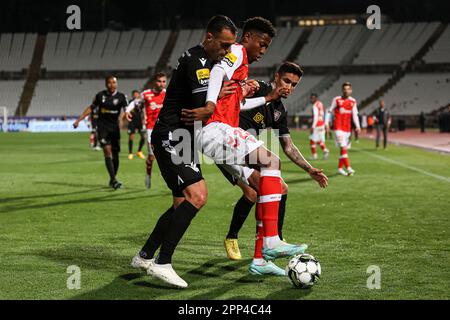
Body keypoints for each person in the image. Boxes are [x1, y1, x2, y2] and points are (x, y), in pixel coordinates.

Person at [182, 17, 328, 276]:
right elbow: (217, 72)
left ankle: (260, 258)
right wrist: (210, 105)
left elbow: (239, 106)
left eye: (266, 48)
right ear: (247, 37)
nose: (262, 51)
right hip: (217, 130)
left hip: (226, 134)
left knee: (272, 184)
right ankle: (268, 240)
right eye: (261, 44)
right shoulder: (237, 51)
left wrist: (265, 98)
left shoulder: (258, 88)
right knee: (270, 164)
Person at [129, 15, 238, 288]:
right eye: (224, 45)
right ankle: (163, 263)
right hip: (172, 135)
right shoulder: (198, 61)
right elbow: (203, 105)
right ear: (209, 37)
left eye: (230, 46)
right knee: (198, 195)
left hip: (183, 137)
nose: (226, 51)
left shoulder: (209, 61)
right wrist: (223, 94)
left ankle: (144, 256)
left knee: (181, 203)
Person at [218, 62, 328, 262]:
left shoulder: (279, 111)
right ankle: (235, 238)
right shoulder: (258, 88)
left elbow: (288, 146)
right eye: (286, 81)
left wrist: (309, 169)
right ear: (276, 77)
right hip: (227, 146)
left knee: (281, 188)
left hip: (248, 151)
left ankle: (276, 238)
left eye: (294, 85)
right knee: (253, 192)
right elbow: (232, 98)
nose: (289, 87)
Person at [73, 76, 128, 190]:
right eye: (109, 83)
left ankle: (113, 178)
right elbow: (91, 108)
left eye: (114, 82)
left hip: (114, 129)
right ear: (106, 84)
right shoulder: (100, 96)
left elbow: (126, 109)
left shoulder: (121, 97)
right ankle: (114, 180)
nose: (112, 84)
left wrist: (127, 115)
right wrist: (79, 119)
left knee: (116, 156)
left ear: (116, 84)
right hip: (103, 128)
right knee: (107, 152)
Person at [126, 73, 167, 188]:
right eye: (159, 81)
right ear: (155, 82)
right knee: (151, 157)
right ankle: (148, 175)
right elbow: (135, 102)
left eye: (164, 81)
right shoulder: (146, 94)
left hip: (165, 129)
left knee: (168, 156)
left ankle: (171, 179)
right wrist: (128, 111)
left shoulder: (167, 94)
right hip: (151, 130)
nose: (162, 84)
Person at [325, 82, 360, 176]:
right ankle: (348, 167)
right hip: (338, 128)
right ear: (342, 90)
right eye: (344, 89)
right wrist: (326, 123)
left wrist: (358, 126)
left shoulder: (353, 101)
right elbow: (329, 111)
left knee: (343, 149)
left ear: (351, 90)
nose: (346, 91)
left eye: (348, 89)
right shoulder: (336, 99)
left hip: (347, 129)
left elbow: (355, 115)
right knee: (343, 146)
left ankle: (340, 168)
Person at [125, 90, 146, 160]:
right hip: (132, 122)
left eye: (137, 94)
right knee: (131, 137)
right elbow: (127, 110)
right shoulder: (130, 102)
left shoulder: (141, 102)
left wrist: (144, 119)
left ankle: (139, 151)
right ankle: (130, 153)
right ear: (132, 95)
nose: (136, 95)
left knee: (144, 137)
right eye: (134, 94)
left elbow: (143, 110)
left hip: (139, 121)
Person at [309, 93, 329, 160]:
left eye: (312, 98)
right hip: (321, 123)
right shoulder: (320, 103)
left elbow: (316, 116)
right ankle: (325, 150)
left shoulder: (314, 106)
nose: (311, 99)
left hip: (317, 124)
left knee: (312, 140)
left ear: (315, 98)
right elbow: (322, 114)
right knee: (318, 140)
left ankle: (314, 155)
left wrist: (313, 126)